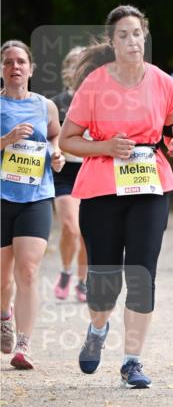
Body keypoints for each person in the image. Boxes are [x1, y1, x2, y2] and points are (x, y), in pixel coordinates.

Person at [59, 5, 173, 388]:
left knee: (143, 273)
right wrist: (103, 146)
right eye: (123, 35)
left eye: (137, 34)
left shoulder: (163, 82)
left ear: (144, 37)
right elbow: (67, 141)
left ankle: (132, 361)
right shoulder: (95, 84)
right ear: (112, 42)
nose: (132, 41)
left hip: (149, 185)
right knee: (104, 281)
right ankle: (98, 329)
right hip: (102, 188)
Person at [1, 39, 65, 369]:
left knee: (27, 270)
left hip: (37, 195)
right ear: (1, 69)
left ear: (31, 69)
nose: (15, 67)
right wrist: (6, 141)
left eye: (21, 62)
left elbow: (54, 136)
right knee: (2, 279)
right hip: (1, 198)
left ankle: (24, 345)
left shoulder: (45, 106)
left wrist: (56, 153)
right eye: (9, 62)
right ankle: (4, 313)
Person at [52, 46, 88, 303]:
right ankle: (65, 271)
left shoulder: (102, 100)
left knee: (87, 231)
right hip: (64, 171)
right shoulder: (56, 103)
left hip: (91, 171)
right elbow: (50, 136)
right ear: (69, 70)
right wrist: (55, 151)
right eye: (77, 65)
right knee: (70, 227)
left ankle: (83, 281)